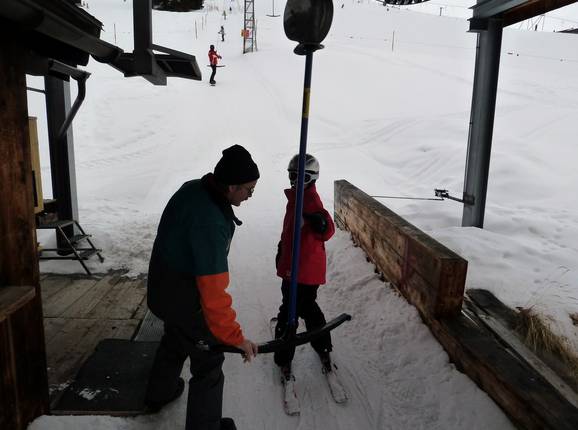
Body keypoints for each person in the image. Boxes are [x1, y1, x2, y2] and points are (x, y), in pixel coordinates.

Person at [144, 144, 260, 430]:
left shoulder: (193, 188)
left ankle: (159, 393)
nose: (250, 195)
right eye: (248, 189)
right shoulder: (210, 221)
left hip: (162, 289)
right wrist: (234, 337)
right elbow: (213, 292)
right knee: (208, 361)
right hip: (184, 297)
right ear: (231, 187)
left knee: (175, 338)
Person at [274, 154, 336, 381]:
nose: (296, 181)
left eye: (302, 177)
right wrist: (282, 250)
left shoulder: (310, 200)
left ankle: (285, 353)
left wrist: (321, 223)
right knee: (303, 306)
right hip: (294, 266)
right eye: (292, 175)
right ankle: (320, 344)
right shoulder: (295, 198)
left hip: (306, 269)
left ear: (313, 178)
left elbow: (328, 228)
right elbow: (290, 231)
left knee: (293, 309)